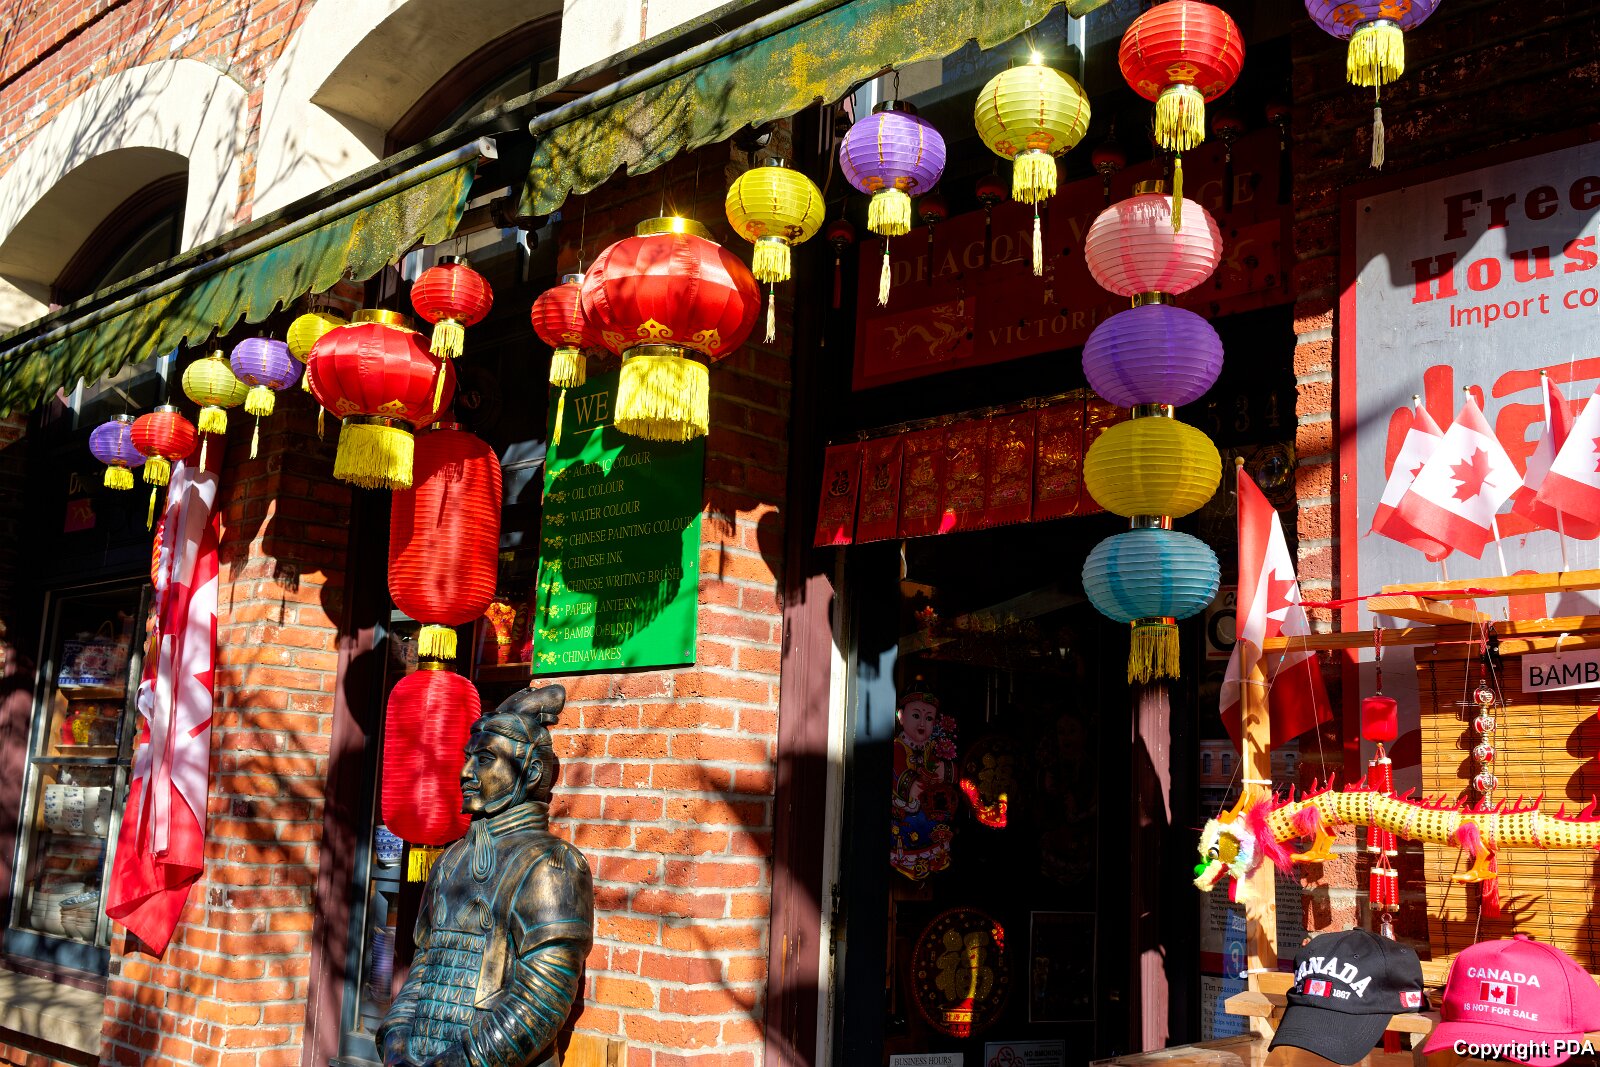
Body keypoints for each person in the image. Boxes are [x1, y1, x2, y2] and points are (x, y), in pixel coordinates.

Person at [378, 684, 594, 1067]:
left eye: (485, 759)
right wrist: (396, 1042)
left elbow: (542, 999)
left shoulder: (551, 864)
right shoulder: (450, 860)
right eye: (469, 758)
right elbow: (425, 965)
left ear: (531, 772)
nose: (465, 772)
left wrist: (460, 1061)